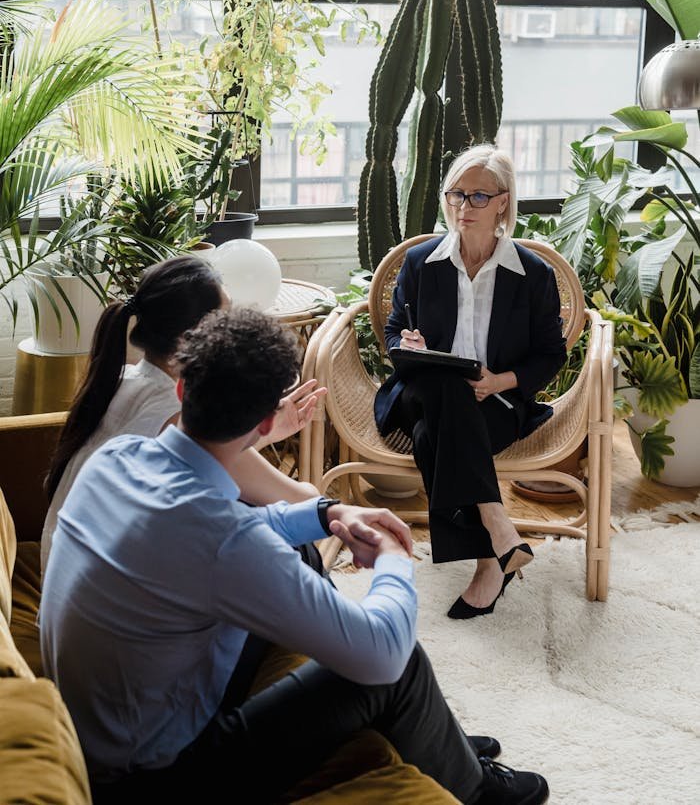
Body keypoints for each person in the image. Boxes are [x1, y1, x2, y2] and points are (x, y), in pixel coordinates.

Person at [40, 306, 549, 805]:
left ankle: (439, 740)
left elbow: (206, 542)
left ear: (181, 388)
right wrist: (394, 557)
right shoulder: (224, 540)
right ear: (268, 423)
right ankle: (475, 791)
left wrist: (328, 513)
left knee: (300, 547)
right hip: (157, 780)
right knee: (401, 667)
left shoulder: (117, 457)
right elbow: (382, 653)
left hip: (99, 728)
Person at [374, 145, 567, 620]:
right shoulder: (421, 262)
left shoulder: (533, 275)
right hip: (421, 393)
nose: (464, 205)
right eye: (456, 194)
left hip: (494, 405)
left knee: (431, 436)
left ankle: (488, 560)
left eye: (479, 196)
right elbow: (395, 330)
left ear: (503, 202)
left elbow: (551, 354)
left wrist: (500, 381)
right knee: (444, 384)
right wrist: (409, 343)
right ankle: (496, 528)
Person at [41, 255, 322, 574]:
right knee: (291, 542)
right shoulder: (179, 417)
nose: (232, 331)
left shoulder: (120, 381)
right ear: (190, 338)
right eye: (223, 321)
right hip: (113, 592)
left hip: (64, 579)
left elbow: (202, 464)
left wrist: (261, 432)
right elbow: (303, 503)